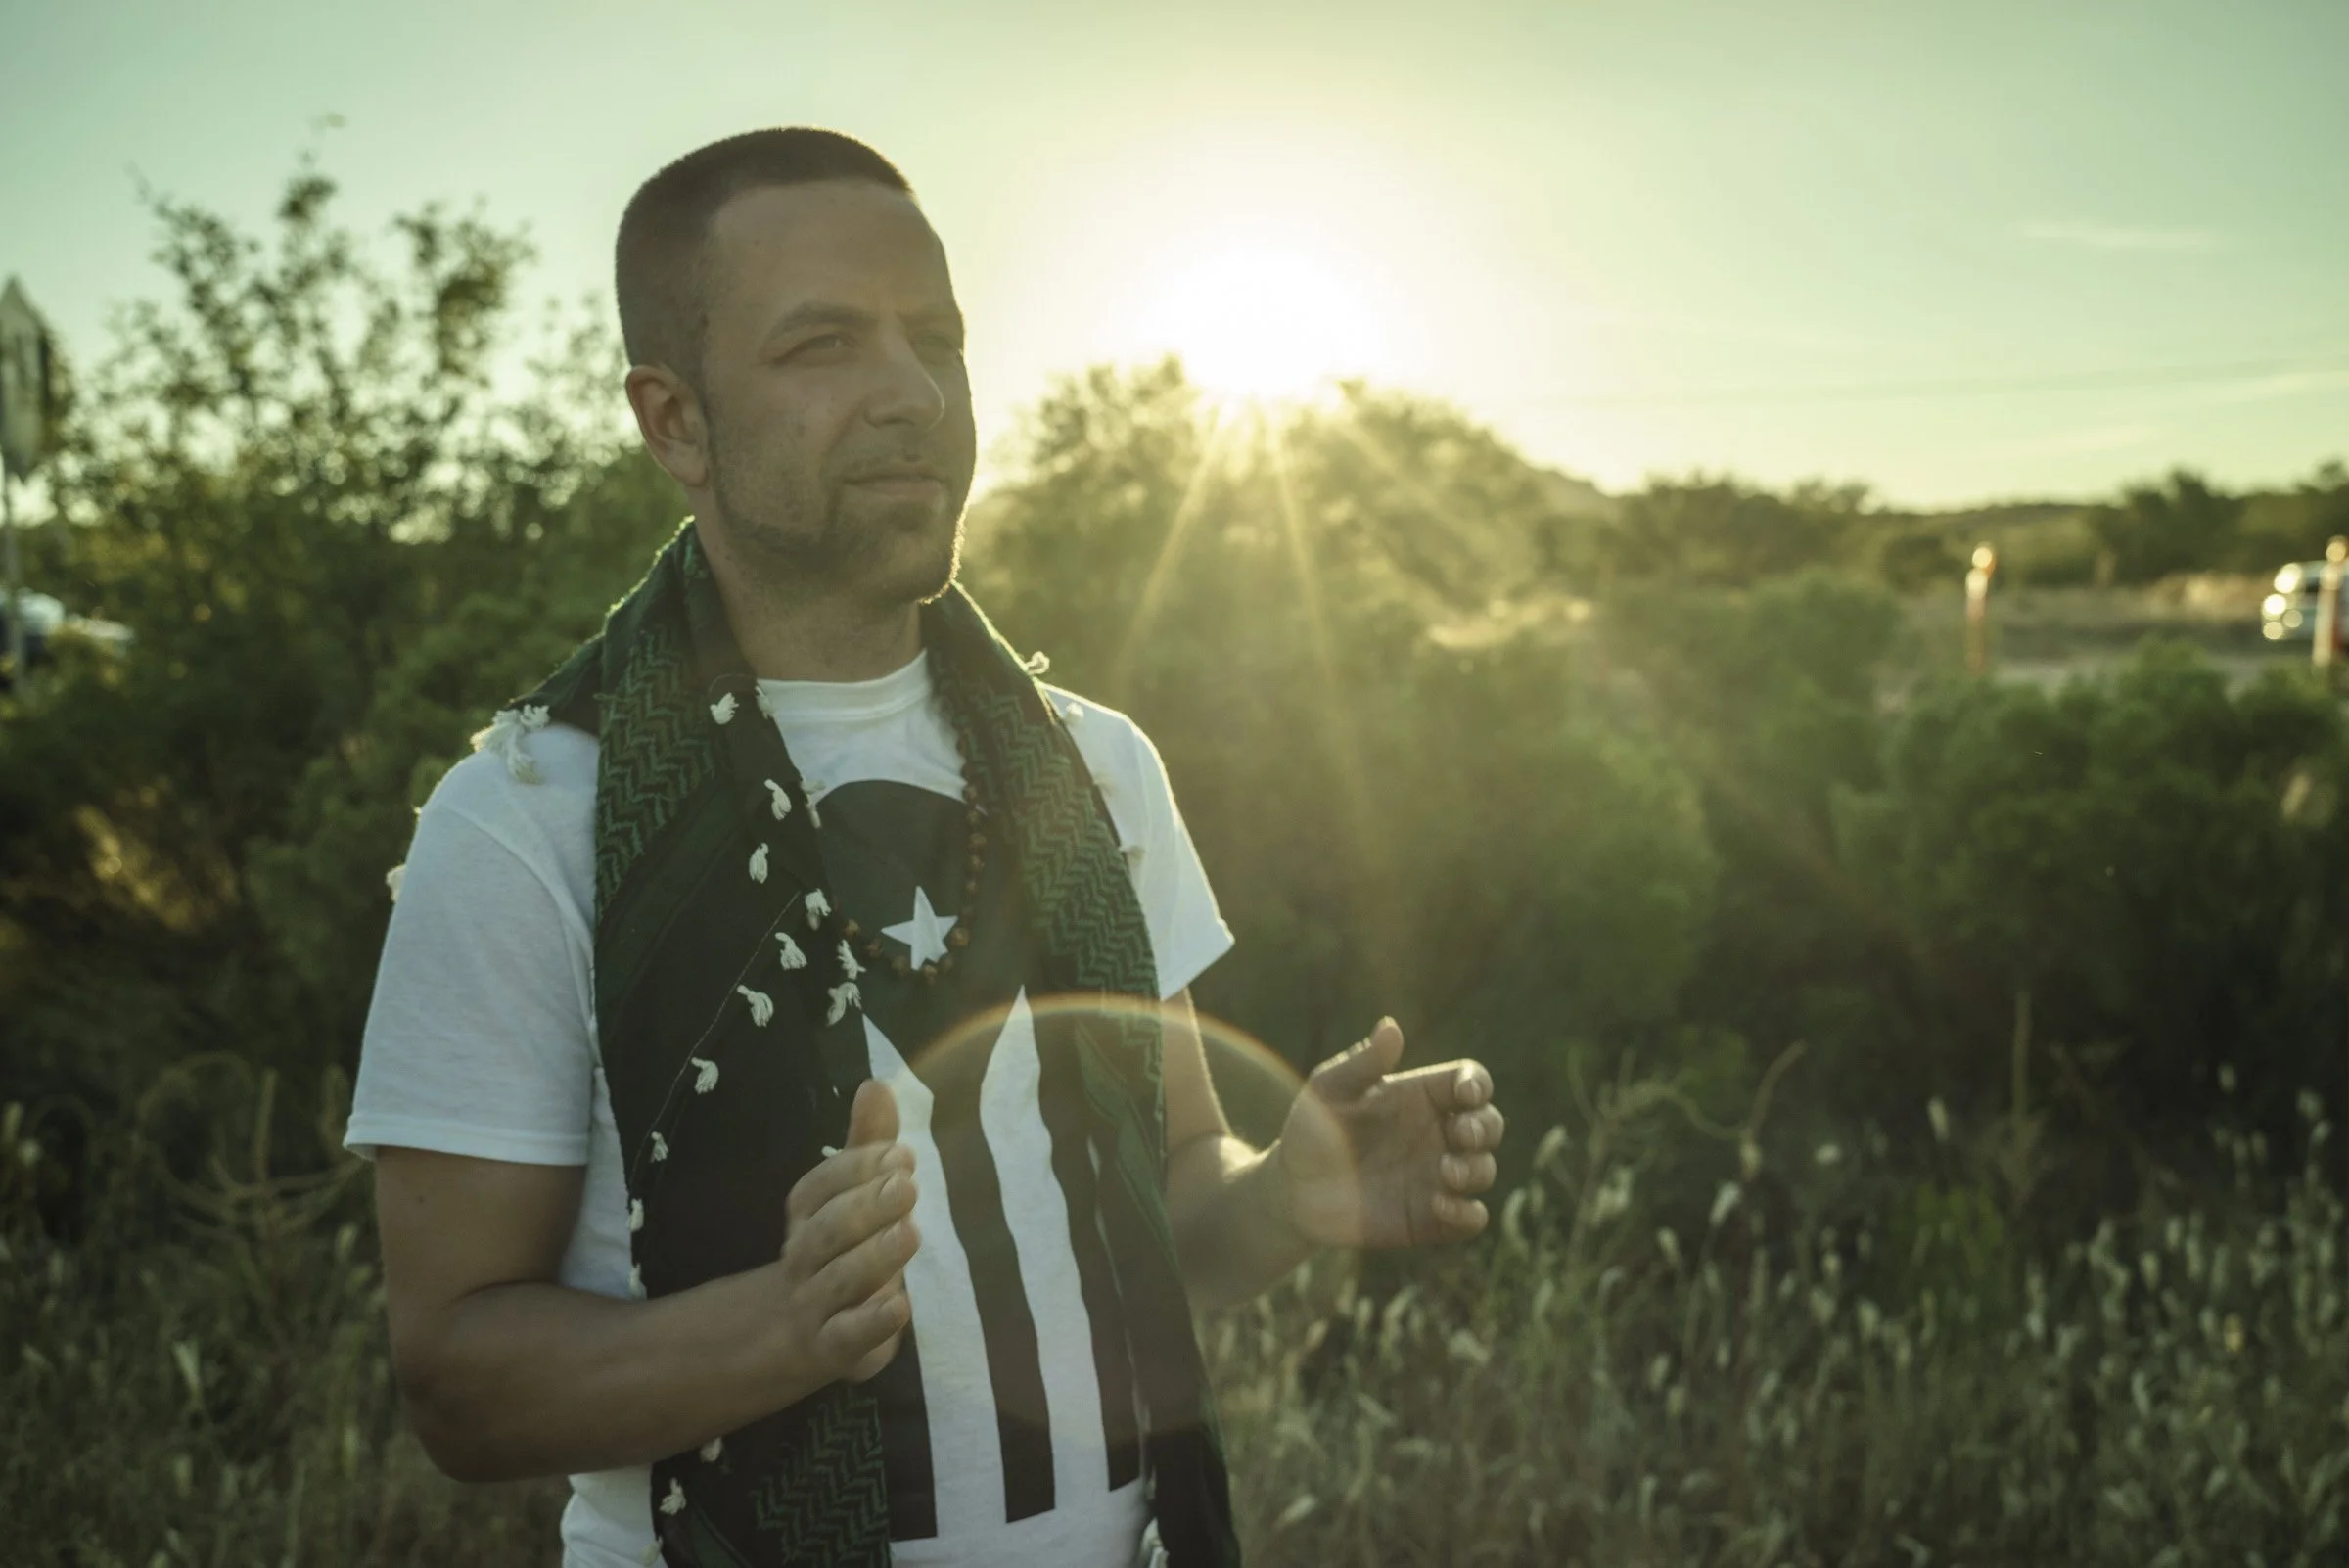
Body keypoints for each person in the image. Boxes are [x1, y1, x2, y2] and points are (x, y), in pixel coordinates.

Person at [349, 127, 1507, 1568]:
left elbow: (1174, 1212)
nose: (908, 391)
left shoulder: (1097, 767)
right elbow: (456, 1380)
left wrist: (1288, 1194)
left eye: (937, 338)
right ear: (675, 423)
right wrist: (777, 1329)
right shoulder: (531, 816)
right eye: (823, 345)